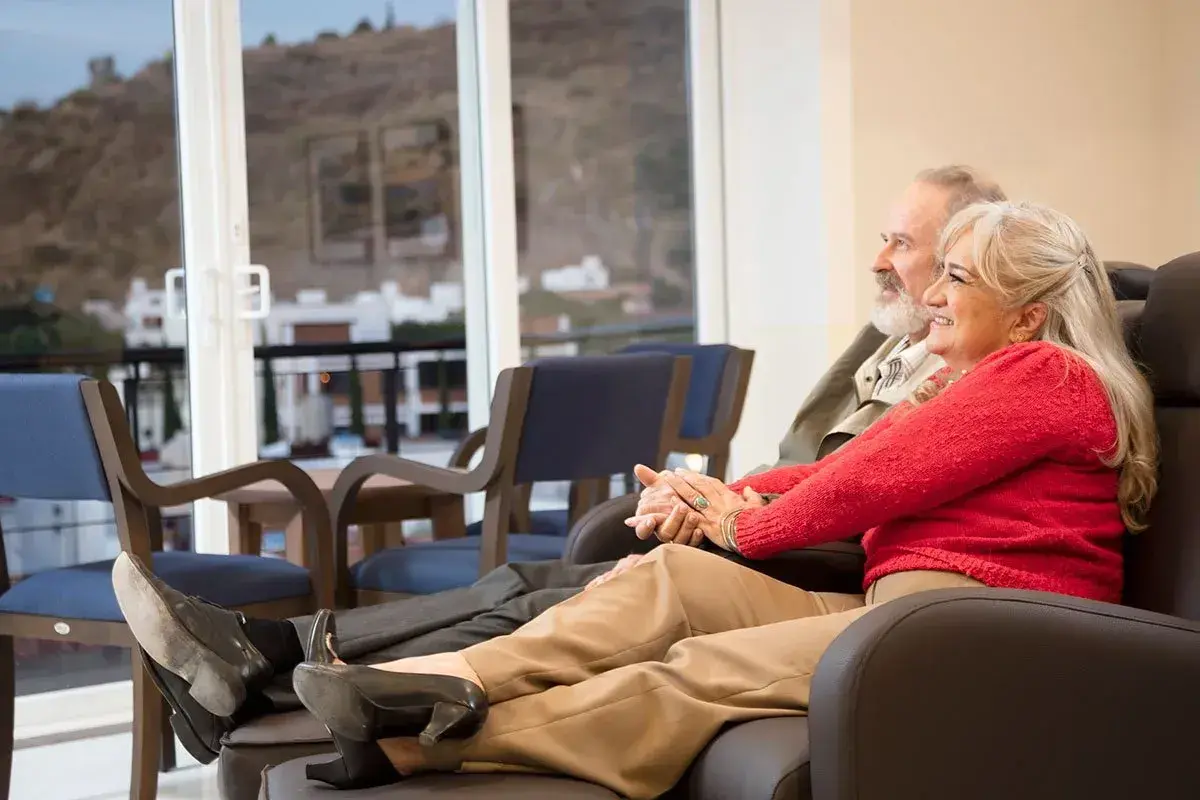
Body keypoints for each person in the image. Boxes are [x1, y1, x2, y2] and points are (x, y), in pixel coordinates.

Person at [116, 200, 1157, 797]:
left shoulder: (1047, 379)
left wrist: (744, 517)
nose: (932, 292)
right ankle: (423, 680)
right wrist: (727, 499)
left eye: (959, 278)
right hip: (911, 604)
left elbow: (872, 479)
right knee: (661, 583)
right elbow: (844, 470)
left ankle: (411, 739)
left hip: (969, 624)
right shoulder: (983, 380)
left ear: (1025, 316)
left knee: (696, 663)